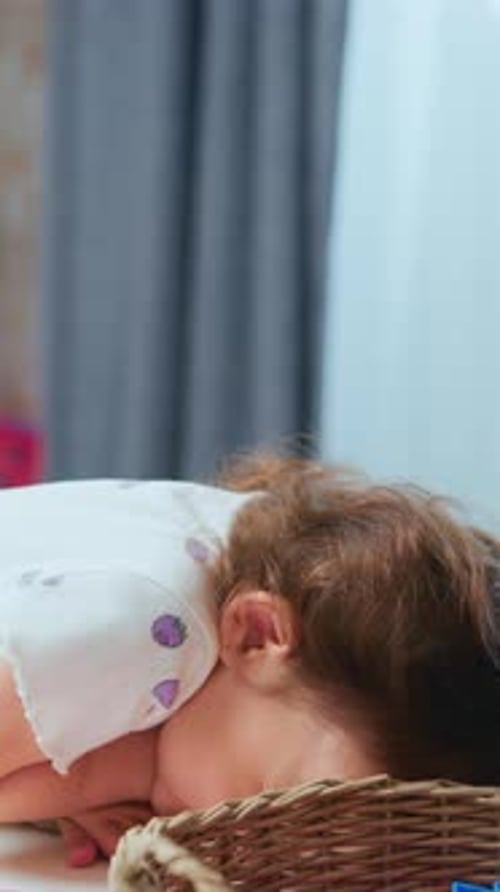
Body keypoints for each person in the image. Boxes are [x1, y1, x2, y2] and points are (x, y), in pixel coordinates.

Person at [0, 454, 499, 868]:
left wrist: (90, 775)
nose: (246, 847)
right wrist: (107, 774)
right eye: (261, 794)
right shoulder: (153, 626)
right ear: (256, 633)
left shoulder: (263, 573)